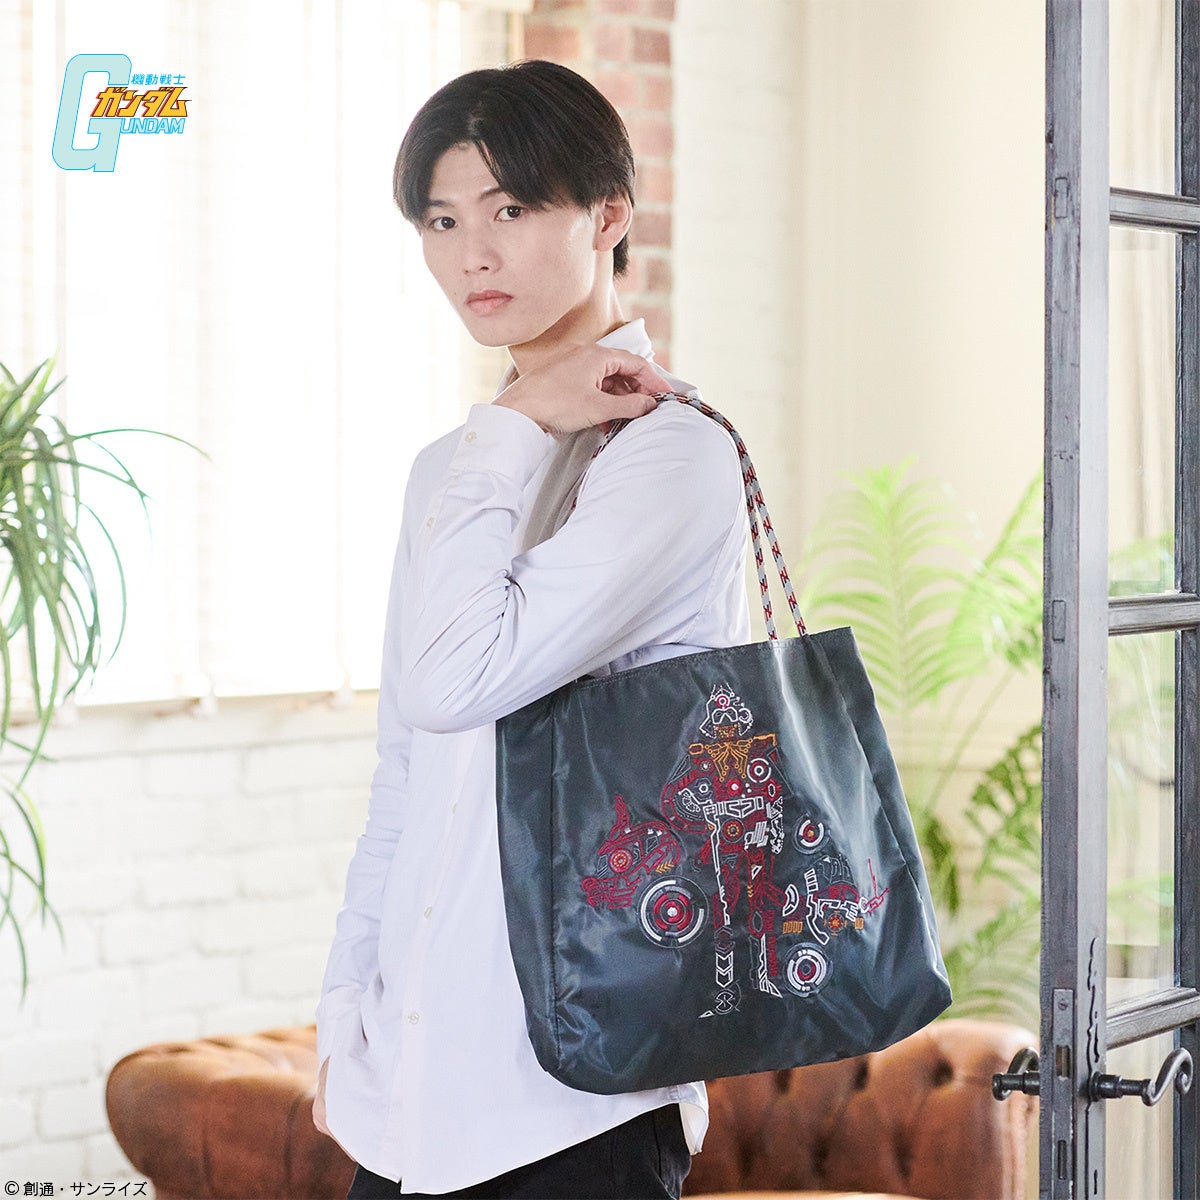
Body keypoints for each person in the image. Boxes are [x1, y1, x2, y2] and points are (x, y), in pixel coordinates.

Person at [313, 58, 752, 1199]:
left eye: (509, 210)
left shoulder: (673, 454)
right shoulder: (450, 472)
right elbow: (408, 764)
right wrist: (346, 1009)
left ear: (607, 216)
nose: (473, 254)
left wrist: (512, 422)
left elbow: (458, 680)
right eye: (442, 220)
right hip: (406, 1094)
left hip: (573, 1098)